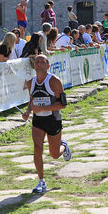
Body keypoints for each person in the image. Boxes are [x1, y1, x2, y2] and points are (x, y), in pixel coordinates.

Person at [21, 54, 71, 193]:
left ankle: (64, 146)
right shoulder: (30, 83)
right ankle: (41, 181)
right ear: (34, 66)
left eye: (43, 62)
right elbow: (32, 101)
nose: (39, 64)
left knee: (54, 154)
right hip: (38, 120)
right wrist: (27, 112)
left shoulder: (54, 81)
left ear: (48, 66)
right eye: (37, 62)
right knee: (37, 148)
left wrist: (43, 108)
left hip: (53, 119)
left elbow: (63, 104)